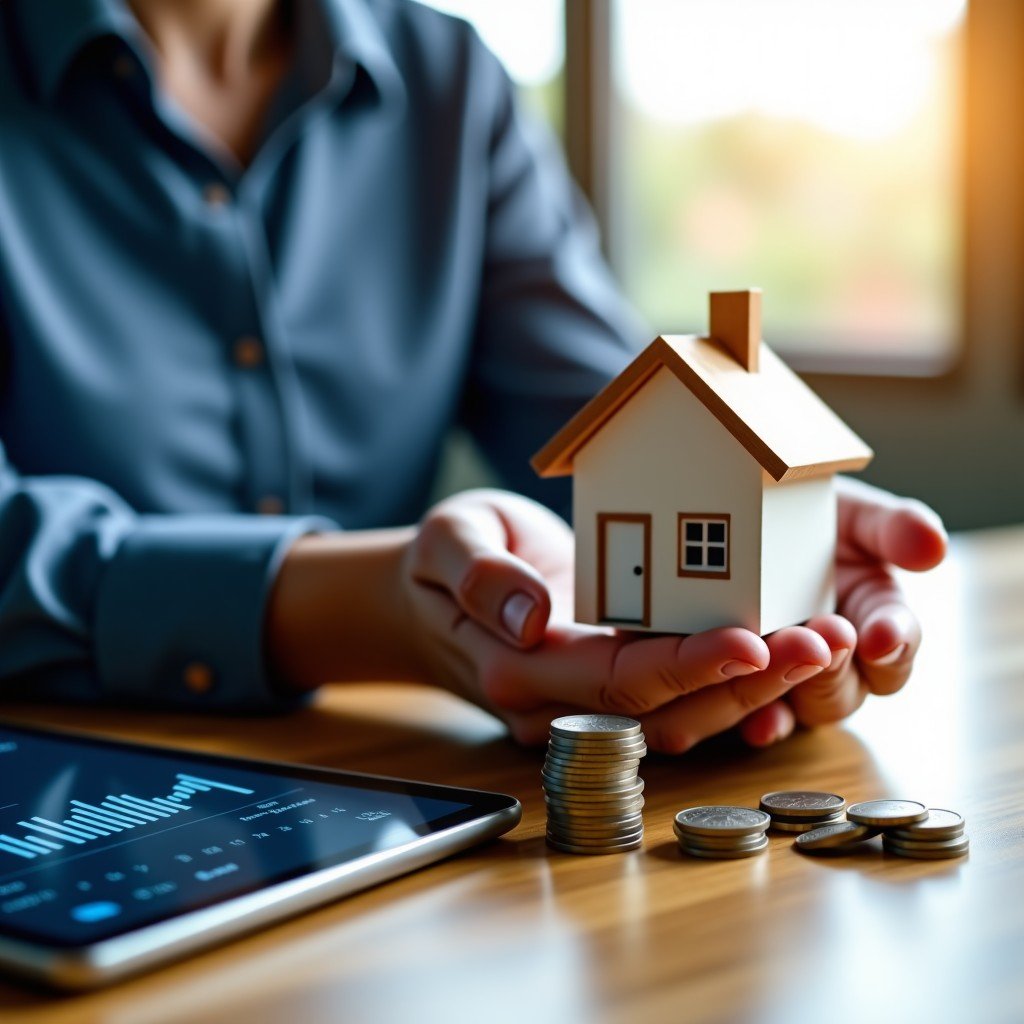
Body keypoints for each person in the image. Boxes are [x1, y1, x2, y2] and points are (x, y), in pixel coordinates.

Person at [0, 0, 946, 753]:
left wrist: (775, 518)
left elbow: (597, 415)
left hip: (382, 801)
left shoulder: (451, 83)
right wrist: (358, 610)